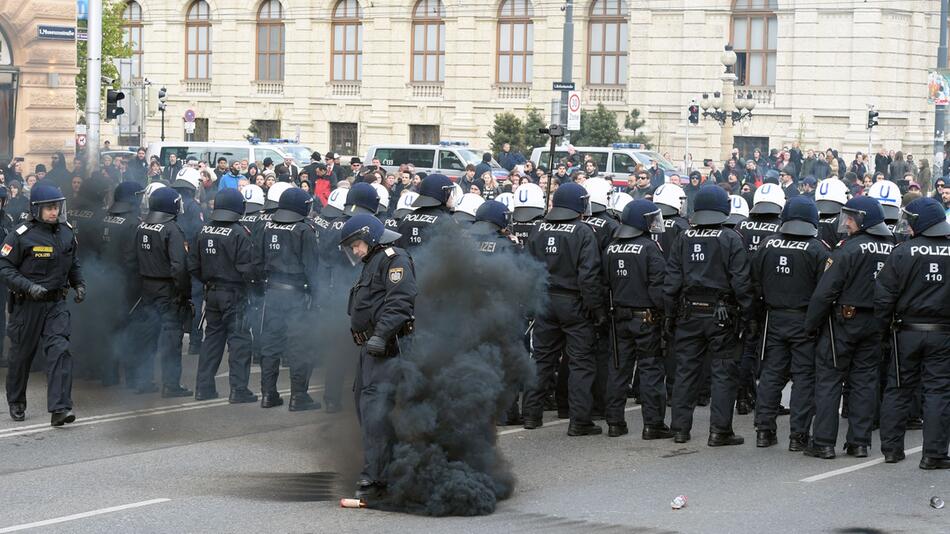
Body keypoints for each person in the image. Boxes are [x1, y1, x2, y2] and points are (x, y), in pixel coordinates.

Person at [803, 196, 894, 459]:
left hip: (843, 322)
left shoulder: (848, 249)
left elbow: (825, 292)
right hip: (876, 323)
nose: (848, 223)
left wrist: (811, 325)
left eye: (852, 217)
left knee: (830, 380)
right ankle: (860, 443)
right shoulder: (892, 248)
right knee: (865, 382)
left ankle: (823, 442)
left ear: (864, 220)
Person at [663, 184, 755, 446]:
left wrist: (670, 316)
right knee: (724, 372)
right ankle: (719, 431)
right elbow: (741, 282)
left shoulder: (684, 237)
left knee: (686, 372)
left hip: (688, 313)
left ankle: (680, 428)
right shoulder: (731, 238)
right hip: (722, 315)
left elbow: (672, 281)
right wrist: (749, 316)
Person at [340, 214, 416, 502]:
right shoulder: (373, 261)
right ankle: (387, 470)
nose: (355, 251)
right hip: (371, 348)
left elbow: (400, 301)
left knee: (375, 411)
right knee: (365, 407)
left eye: (357, 245)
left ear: (370, 238)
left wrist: (381, 335)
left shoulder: (394, 258)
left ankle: (374, 479)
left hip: (387, 346)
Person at [524, 183, 605, 436]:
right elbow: (589, 276)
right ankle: (579, 420)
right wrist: (597, 310)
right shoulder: (583, 232)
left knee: (542, 359)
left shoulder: (538, 228)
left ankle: (531, 415)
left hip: (544, 300)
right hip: (574, 303)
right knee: (581, 362)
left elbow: (527, 268)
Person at [751, 197, 830, 450]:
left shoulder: (767, 244)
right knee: (804, 378)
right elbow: (825, 290)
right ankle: (798, 436)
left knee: (771, 375)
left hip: (773, 317)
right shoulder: (818, 249)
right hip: (805, 319)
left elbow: (754, 281)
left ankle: (764, 430)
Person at [876, 197, 950, 469]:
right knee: (938, 392)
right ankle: (934, 454)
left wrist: (882, 331)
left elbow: (884, 297)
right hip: (943, 333)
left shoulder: (901, 252)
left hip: (905, 331)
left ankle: (892, 450)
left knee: (897, 388)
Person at [1, 184, 84, 425]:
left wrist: (79, 284)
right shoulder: (20, 235)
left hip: (56, 304)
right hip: (27, 305)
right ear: (37, 209)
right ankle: (16, 402)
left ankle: (60, 408)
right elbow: (4, 267)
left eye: (56, 207)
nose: (53, 212)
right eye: (49, 207)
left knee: (60, 351)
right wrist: (27, 286)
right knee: (21, 356)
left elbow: (73, 262)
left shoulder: (67, 232)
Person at [603, 200, 671, 439]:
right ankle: (653, 425)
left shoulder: (611, 247)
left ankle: (614, 422)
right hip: (646, 319)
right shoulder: (650, 248)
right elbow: (658, 287)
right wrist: (666, 314)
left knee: (618, 369)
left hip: (618, 317)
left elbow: (604, 284)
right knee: (650, 370)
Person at [189, 188, 258, 404]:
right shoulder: (240, 233)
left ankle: (203, 388)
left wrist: (208, 282)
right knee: (239, 341)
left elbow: (192, 264)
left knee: (212, 340)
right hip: (234, 294)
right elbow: (247, 269)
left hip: (212, 293)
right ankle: (238, 390)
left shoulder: (203, 231)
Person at [258, 187, 321, 411]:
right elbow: (312, 267)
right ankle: (298, 396)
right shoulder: (304, 229)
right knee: (298, 345)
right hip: (297, 294)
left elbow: (259, 260)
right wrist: (317, 297)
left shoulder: (268, 226)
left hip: (273, 292)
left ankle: (267, 394)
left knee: (271, 345)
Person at [135, 187, 193, 398]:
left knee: (148, 337)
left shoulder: (143, 226)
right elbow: (179, 266)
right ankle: (171, 385)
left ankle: (143, 380)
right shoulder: (171, 229)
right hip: (167, 290)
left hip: (146, 287)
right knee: (171, 338)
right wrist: (184, 292)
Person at [397, 174, 456, 250]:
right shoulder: (446, 222)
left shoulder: (405, 218)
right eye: (449, 191)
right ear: (443, 193)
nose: (451, 196)